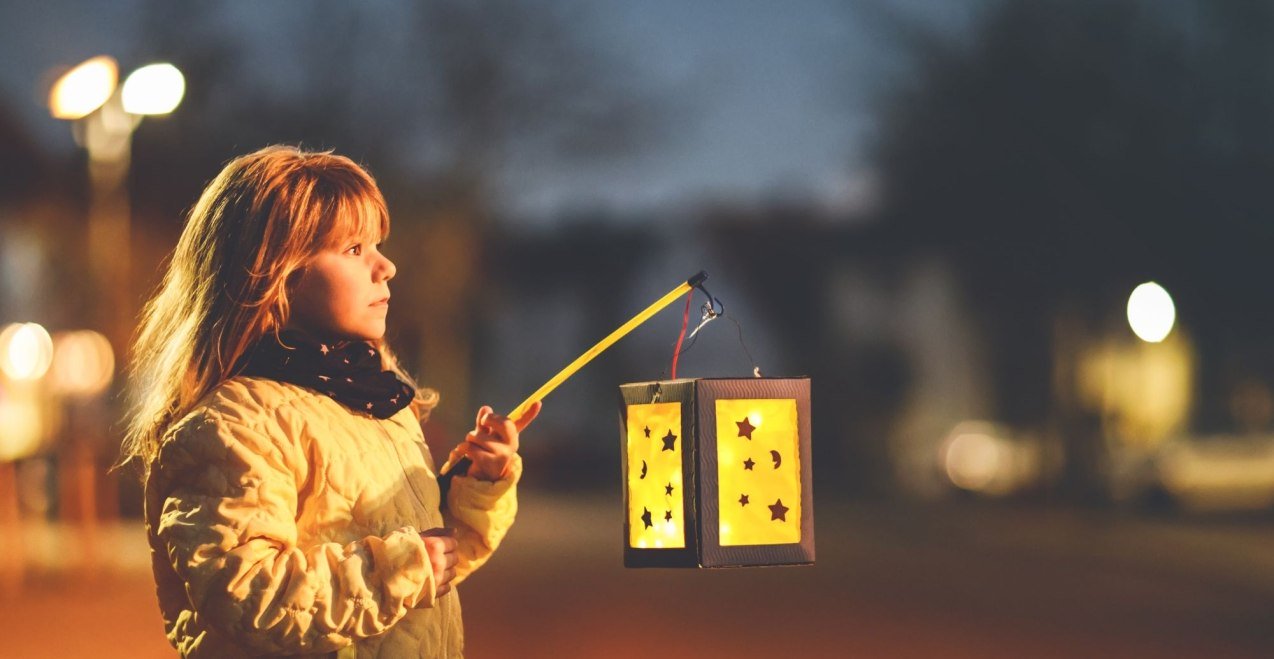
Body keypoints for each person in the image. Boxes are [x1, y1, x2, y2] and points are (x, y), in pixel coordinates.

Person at [117, 145, 540, 658]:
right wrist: (403, 568)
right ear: (273, 273)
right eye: (355, 249)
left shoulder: (372, 403)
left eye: (378, 244)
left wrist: (476, 483)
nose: (387, 266)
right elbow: (247, 593)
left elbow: (425, 567)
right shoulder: (231, 426)